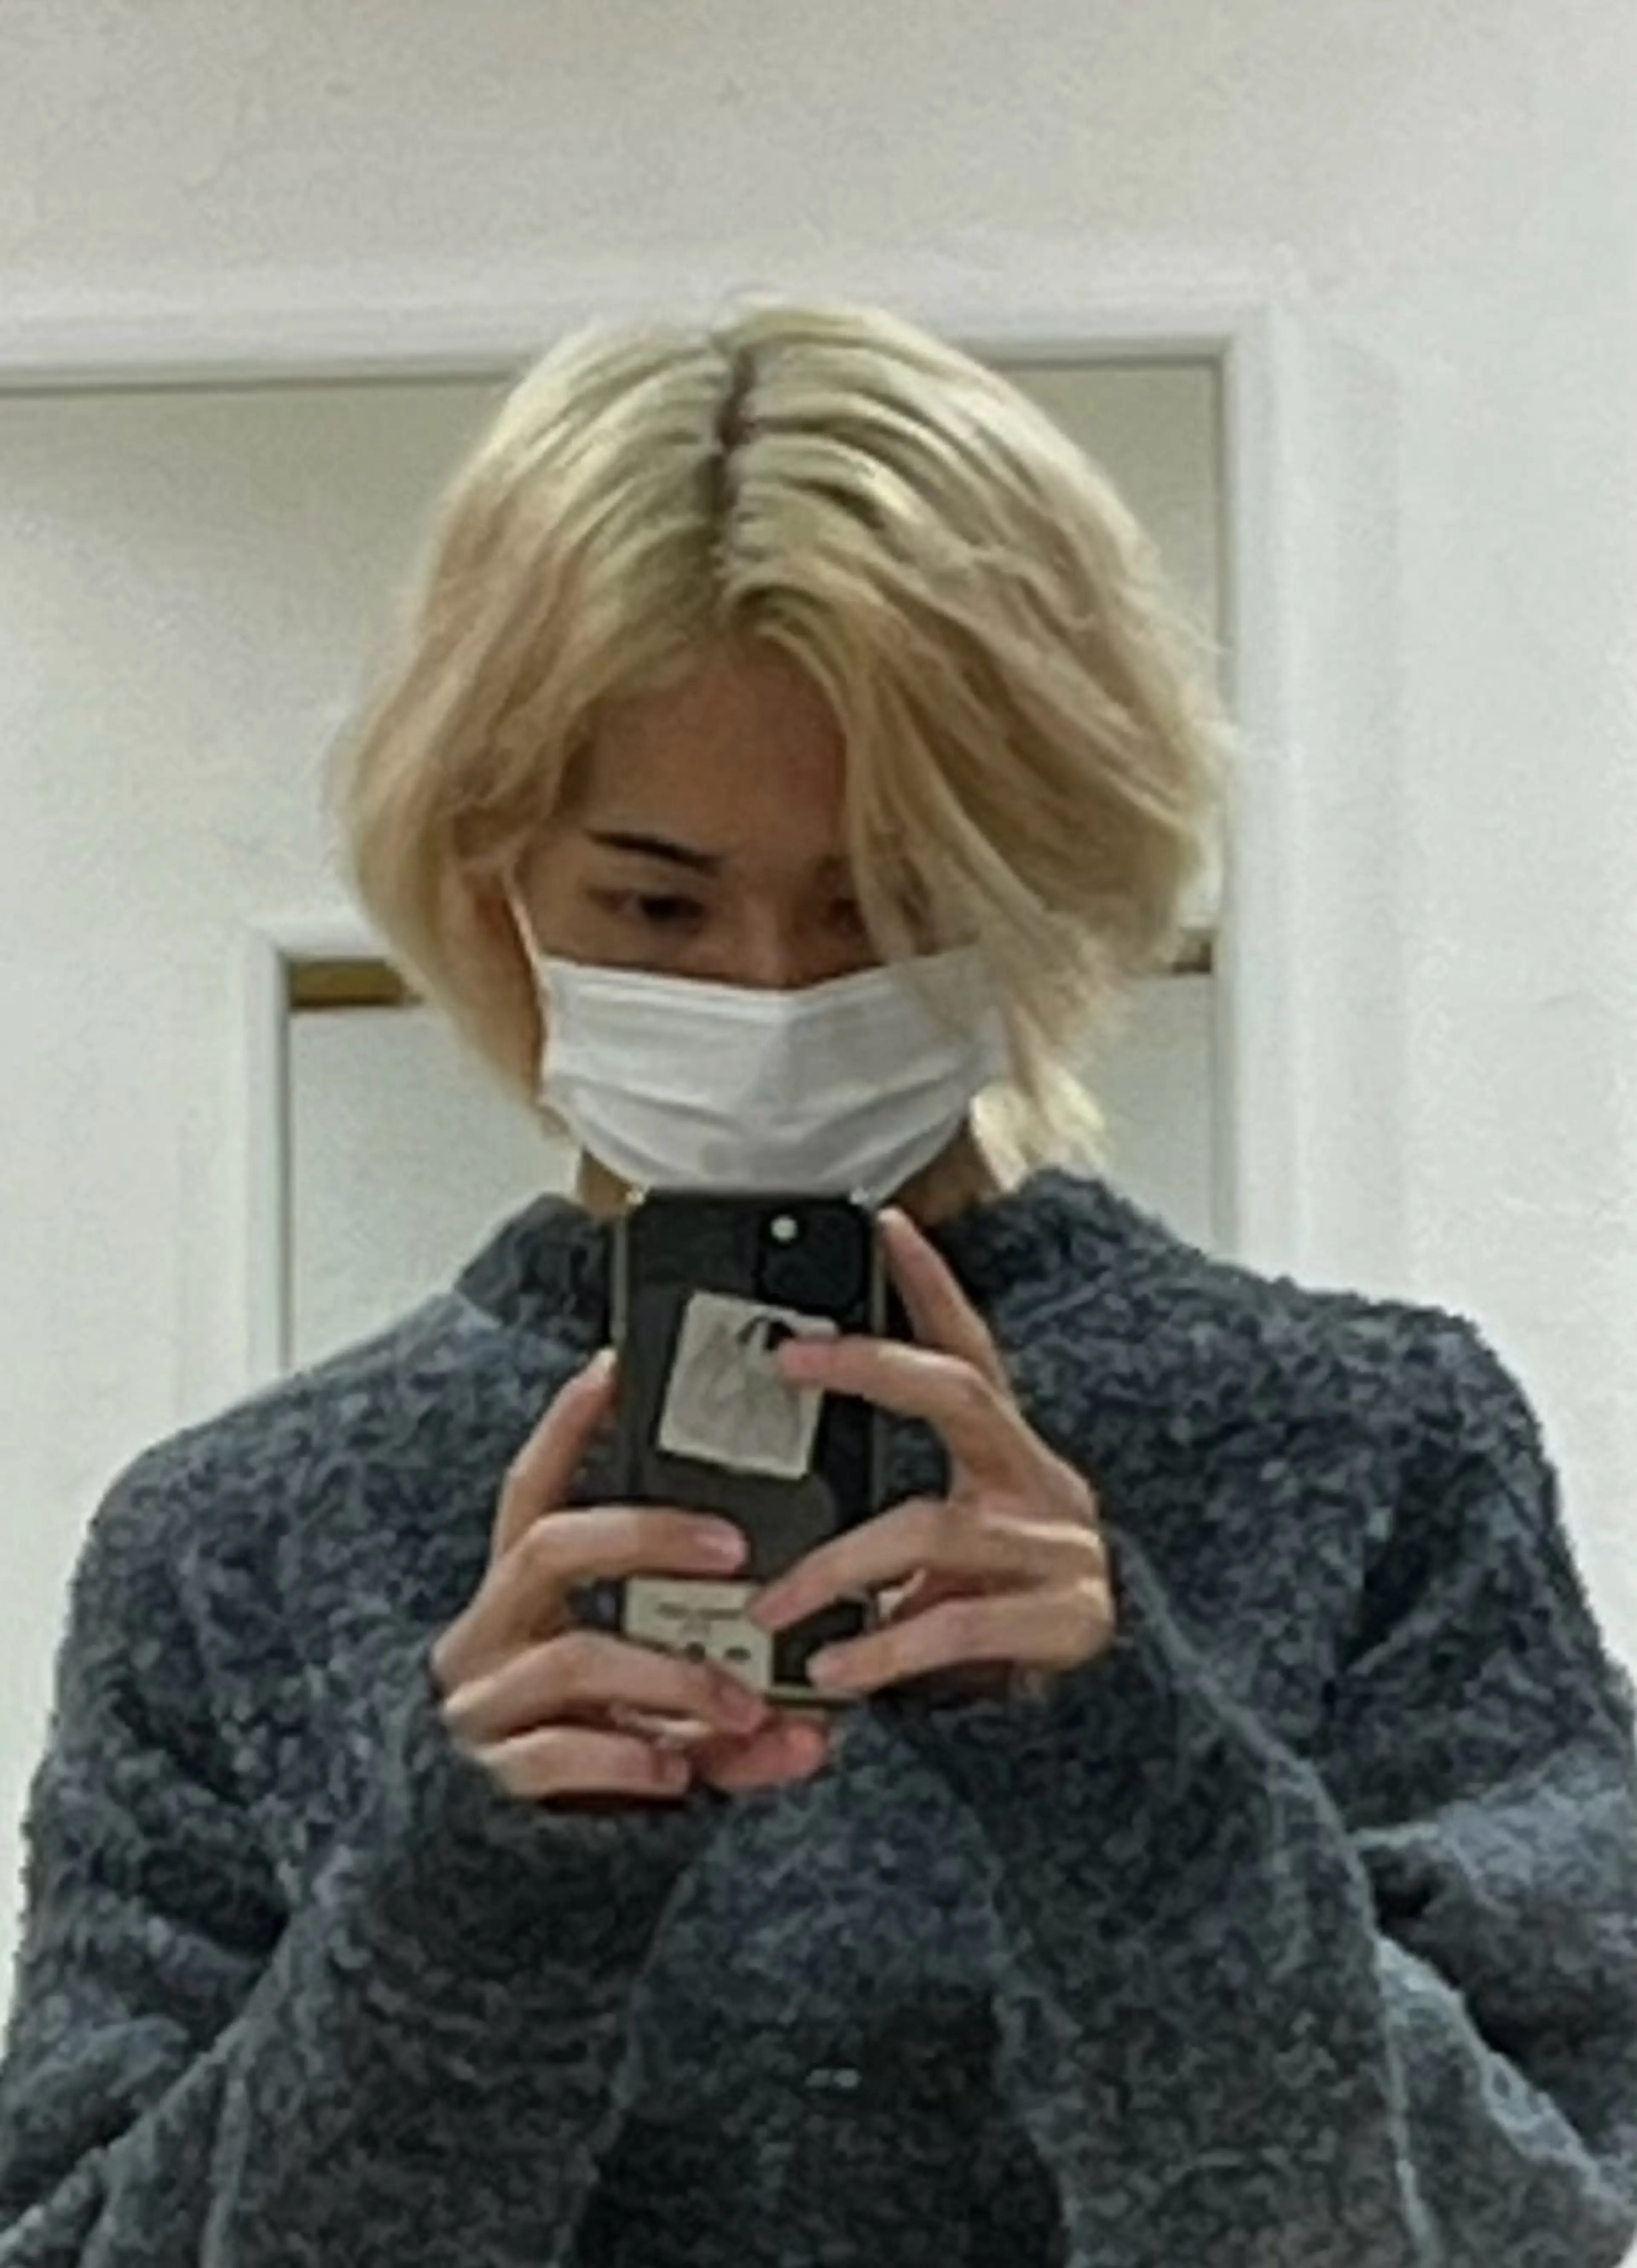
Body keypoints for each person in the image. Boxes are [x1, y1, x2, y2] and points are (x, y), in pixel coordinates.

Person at [0, 298, 1633, 2268]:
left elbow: (1544, 2225)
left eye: (889, 897)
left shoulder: (1376, 1449)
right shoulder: (237, 1548)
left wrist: (1139, 1785)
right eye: (657, 900)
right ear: (494, 872)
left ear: (1042, 871)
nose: (771, 986)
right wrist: (461, 1900)